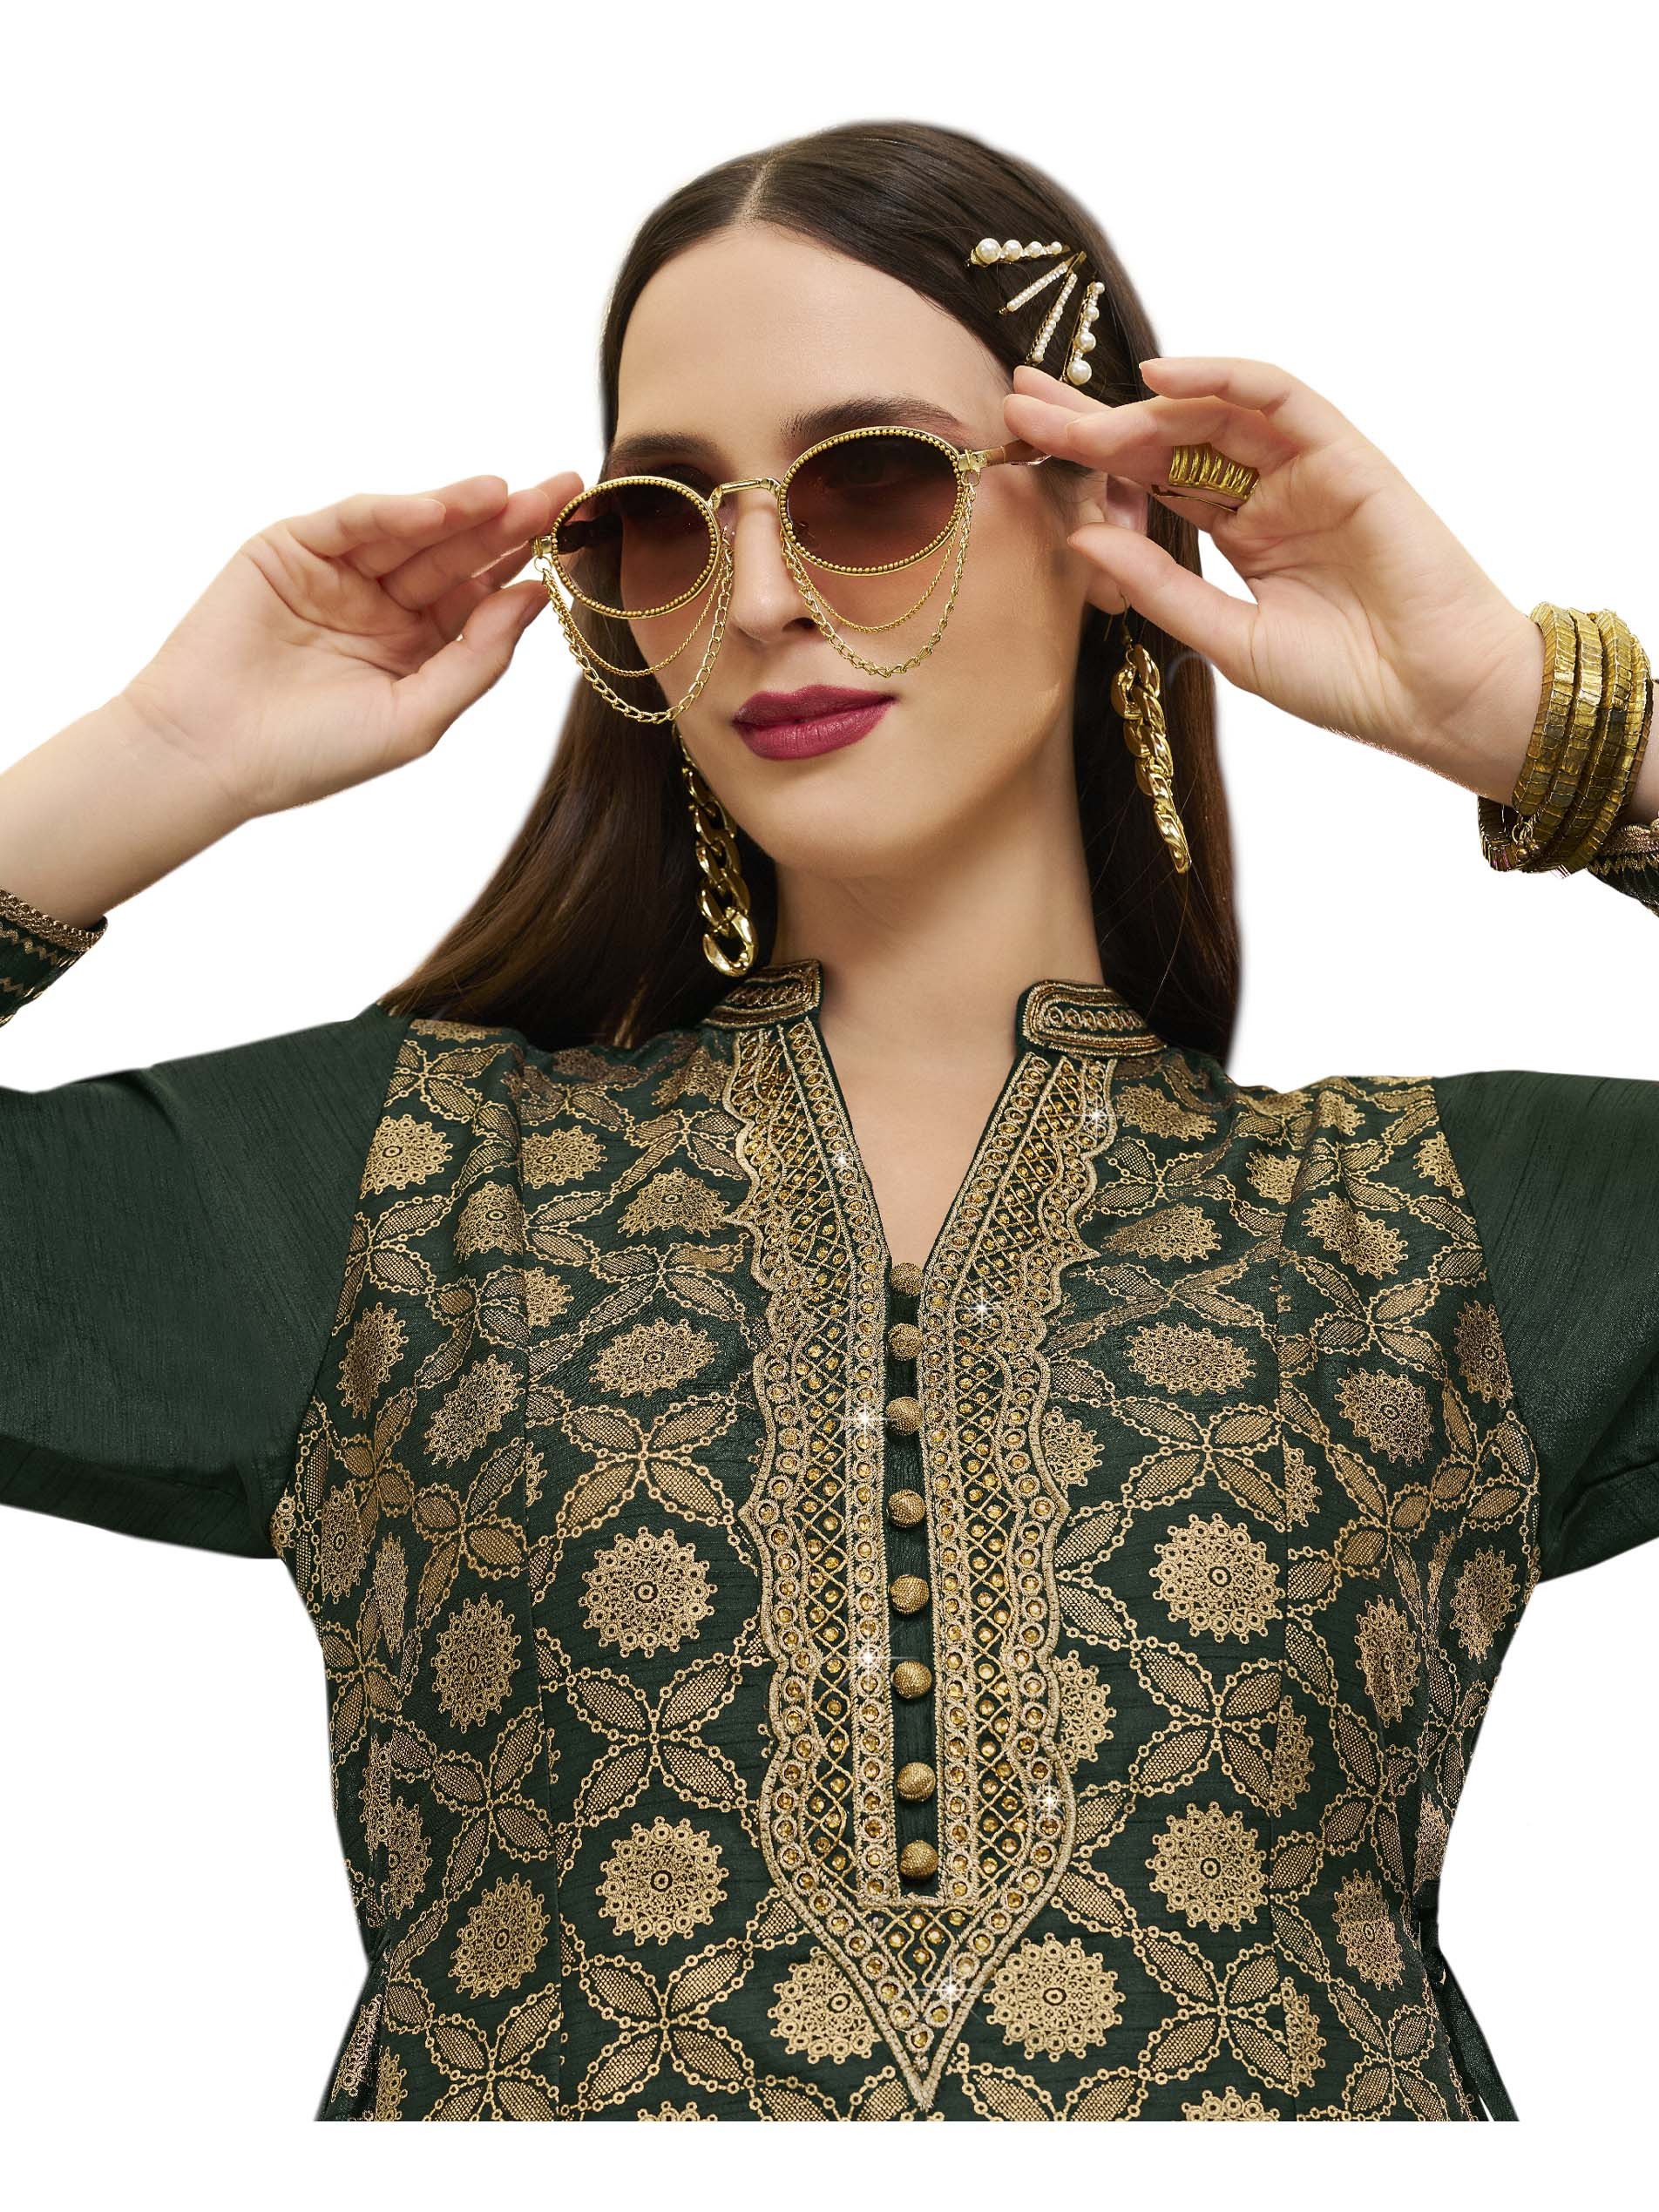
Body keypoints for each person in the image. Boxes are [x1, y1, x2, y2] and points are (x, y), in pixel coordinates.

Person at [2, 119, 1655, 2126]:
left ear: (1106, 511)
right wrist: (156, 759)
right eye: (665, 519)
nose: (763, 594)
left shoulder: (1437, 1234)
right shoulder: (397, 1192)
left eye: (871, 482)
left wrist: (1541, 718)